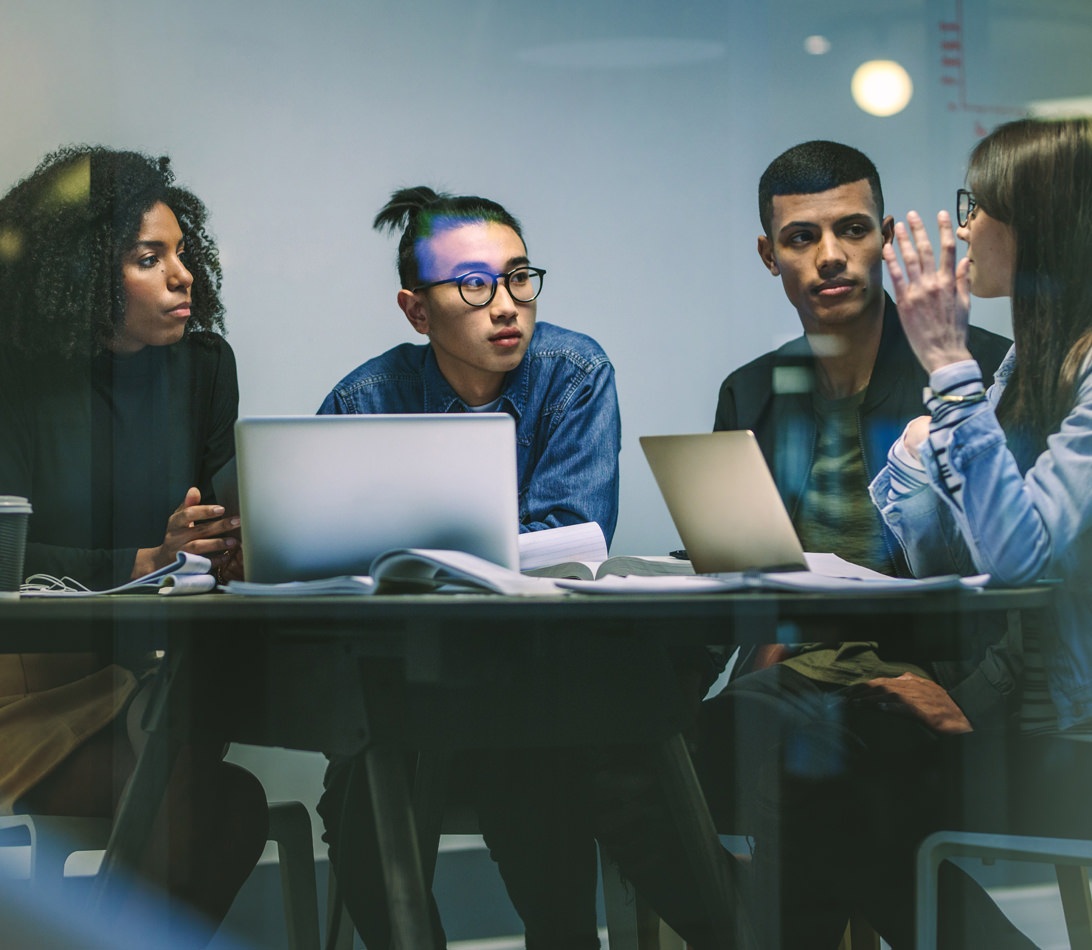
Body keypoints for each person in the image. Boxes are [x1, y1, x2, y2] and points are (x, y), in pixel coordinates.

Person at [316, 186, 744, 950]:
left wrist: (416, 554)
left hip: (545, 677)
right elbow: (323, 556)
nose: (507, 304)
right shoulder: (366, 398)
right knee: (357, 792)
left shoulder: (572, 372)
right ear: (417, 312)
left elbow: (569, 539)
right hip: (411, 687)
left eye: (519, 277)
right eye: (475, 285)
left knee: (534, 767)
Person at [698, 140, 1018, 948]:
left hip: (933, 679)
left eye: (853, 228)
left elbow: (1027, 563)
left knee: (818, 783)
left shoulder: (973, 369)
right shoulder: (753, 390)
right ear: (769, 256)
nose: (831, 255)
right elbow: (737, 573)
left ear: (884, 236)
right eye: (802, 238)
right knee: (654, 764)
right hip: (787, 684)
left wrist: (974, 693)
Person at [0, 146, 267, 946]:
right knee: (197, 800)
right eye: (150, 258)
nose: (182, 275)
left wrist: (222, 540)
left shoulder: (206, 368)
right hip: (24, 685)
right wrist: (140, 565)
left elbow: (221, 506)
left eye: (183, 253)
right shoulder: (12, 379)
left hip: (153, 672)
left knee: (219, 794)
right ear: (80, 275)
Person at [863, 115, 1092, 946]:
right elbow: (952, 559)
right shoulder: (1030, 362)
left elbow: (1018, 559)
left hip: (1075, 734)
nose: (963, 227)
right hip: (1027, 706)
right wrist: (926, 451)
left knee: (843, 793)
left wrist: (948, 370)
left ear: (1039, 223)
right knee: (814, 751)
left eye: (978, 206)